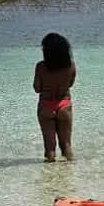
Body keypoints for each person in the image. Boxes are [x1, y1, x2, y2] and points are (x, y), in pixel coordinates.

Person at [34, 33, 76, 162]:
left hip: (46, 106)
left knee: (50, 149)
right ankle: (69, 176)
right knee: (66, 146)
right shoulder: (70, 65)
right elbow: (70, 84)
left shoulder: (41, 67)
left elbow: (37, 89)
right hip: (64, 104)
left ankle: (50, 178)